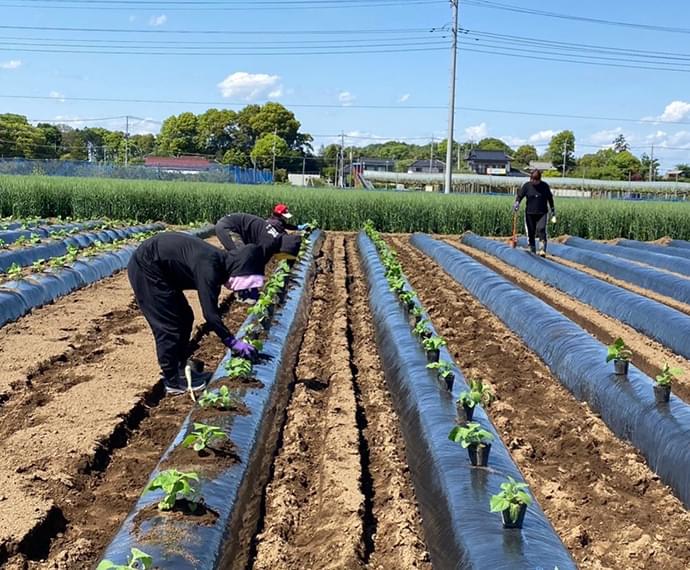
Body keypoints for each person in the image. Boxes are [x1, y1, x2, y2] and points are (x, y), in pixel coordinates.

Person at [128, 231, 261, 395]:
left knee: (185, 317)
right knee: (168, 326)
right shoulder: (210, 269)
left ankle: (181, 367)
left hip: (164, 272)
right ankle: (172, 382)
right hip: (146, 268)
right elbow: (210, 315)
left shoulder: (220, 264)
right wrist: (232, 342)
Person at [215, 203, 309, 254]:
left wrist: (297, 227)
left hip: (236, 226)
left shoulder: (275, 226)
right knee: (243, 255)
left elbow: (286, 228)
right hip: (228, 227)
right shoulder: (274, 227)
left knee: (244, 252)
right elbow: (260, 254)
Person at [513, 170, 556, 256]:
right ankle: (532, 248)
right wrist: (517, 203)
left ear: (539, 180)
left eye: (535, 180)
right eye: (532, 179)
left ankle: (542, 248)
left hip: (542, 212)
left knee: (541, 229)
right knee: (531, 231)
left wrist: (552, 210)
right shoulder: (527, 186)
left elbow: (550, 198)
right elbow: (520, 196)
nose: (533, 181)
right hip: (530, 213)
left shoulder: (544, 186)